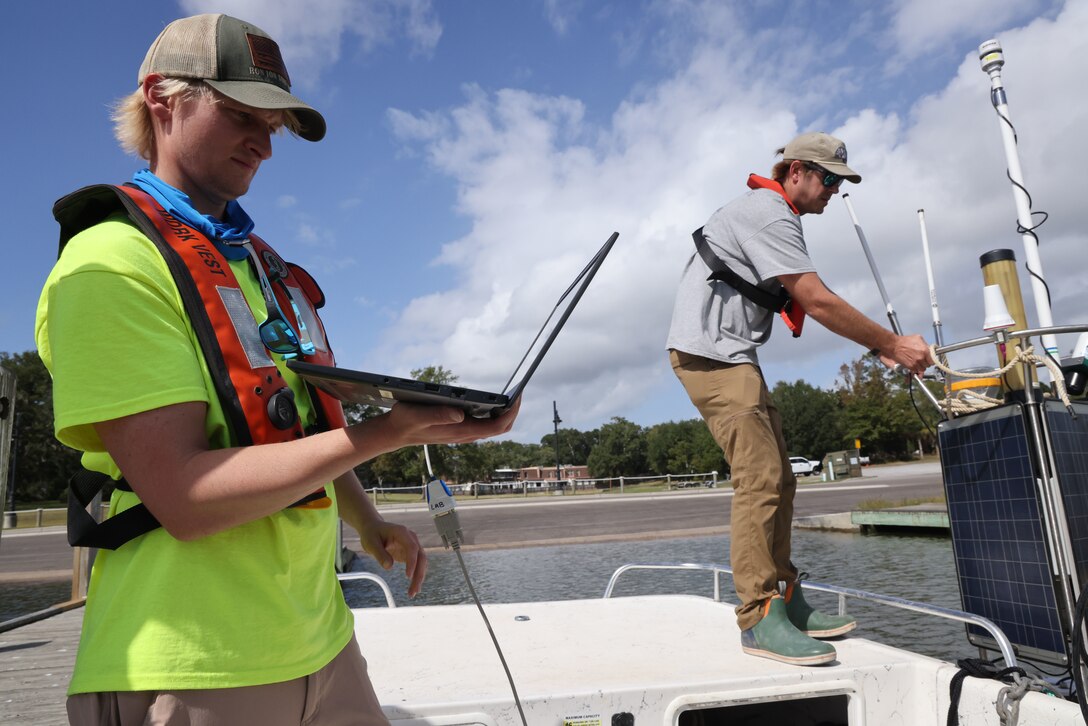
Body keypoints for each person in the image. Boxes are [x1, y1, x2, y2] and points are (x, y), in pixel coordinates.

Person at [35, 13, 517, 725]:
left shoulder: (261, 269)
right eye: (240, 114)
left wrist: (372, 520)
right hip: (192, 664)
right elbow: (186, 497)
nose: (263, 142)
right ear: (162, 101)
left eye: (276, 125)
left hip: (324, 643)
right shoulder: (109, 265)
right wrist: (388, 431)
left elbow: (292, 429)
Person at [665, 132, 933, 666]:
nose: (834, 190)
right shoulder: (769, 213)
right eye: (829, 178)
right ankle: (760, 616)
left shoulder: (774, 213)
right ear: (795, 172)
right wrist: (891, 343)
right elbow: (814, 298)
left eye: (840, 181)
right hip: (712, 356)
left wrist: (880, 345)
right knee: (760, 477)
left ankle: (787, 597)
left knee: (781, 477)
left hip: (734, 356)